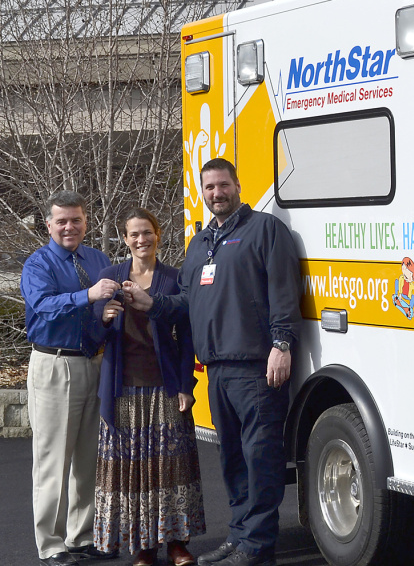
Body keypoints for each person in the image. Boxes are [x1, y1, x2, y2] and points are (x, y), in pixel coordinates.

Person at [122, 159, 301, 566]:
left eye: (223, 185)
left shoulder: (264, 230)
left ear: (238, 184)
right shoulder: (200, 243)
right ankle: (239, 539)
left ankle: (257, 547)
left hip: (256, 369)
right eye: (209, 187)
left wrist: (282, 343)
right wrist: (151, 303)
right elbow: (186, 302)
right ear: (203, 192)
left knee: (260, 460)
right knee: (233, 460)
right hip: (217, 370)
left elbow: (283, 291)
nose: (216, 193)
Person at [93, 208, 205, 566]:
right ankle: (144, 547)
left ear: (158, 234)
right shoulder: (110, 276)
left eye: (148, 232)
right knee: (133, 471)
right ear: (124, 239)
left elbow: (186, 338)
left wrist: (186, 385)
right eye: (134, 234)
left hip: (165, 385)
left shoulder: (173, 279)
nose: (142, 240)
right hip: (122, 387)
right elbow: (92, 333)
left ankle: (177, 544)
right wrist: (105, 319)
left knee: (171, 468)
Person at [21, 190, 120, 565]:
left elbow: (105, 308)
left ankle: (82, 537)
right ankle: (50, 545)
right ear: (48, 225)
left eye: (76, 220)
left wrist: (109, 311)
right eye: (61, 221)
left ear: (86, 221)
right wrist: (88, 295)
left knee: (87, 458)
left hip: (94, 363)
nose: (69, 227)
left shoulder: (98, 259)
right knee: (52, 460)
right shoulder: (37, 263)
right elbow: (43, 306)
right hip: (54, 365)